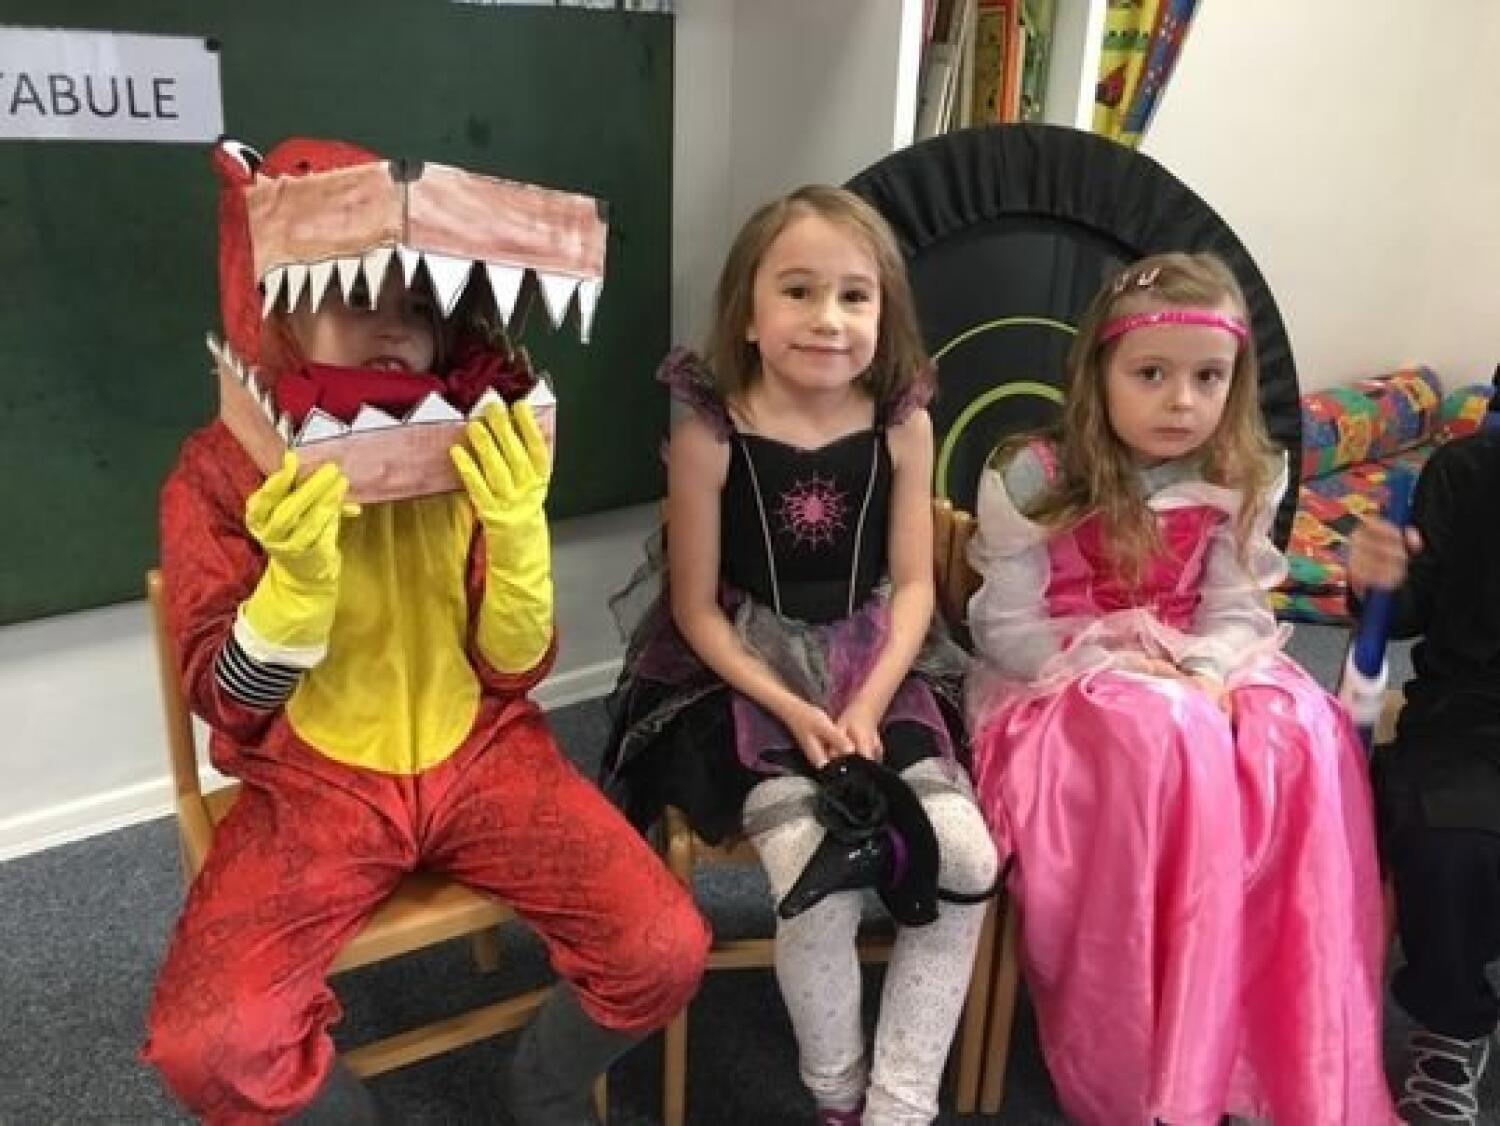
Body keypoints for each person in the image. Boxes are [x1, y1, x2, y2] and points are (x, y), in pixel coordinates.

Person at [141, 137, 708, 1125]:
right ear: (278, 301)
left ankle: (544, 1089)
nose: (395, 326)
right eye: (360, 294)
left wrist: (518, 537)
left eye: (418, 305)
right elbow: (224, 700)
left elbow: (513, 668)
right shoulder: (218, 469)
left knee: (663, 946)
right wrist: (291, 594)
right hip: (313, 785)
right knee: (211, 1043)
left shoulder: (475, 429)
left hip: (482, 753)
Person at [964, 251, 1395, 1124]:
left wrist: (1205, 667)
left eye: (1208, 378)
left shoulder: (1241, 471)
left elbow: (1236, 608)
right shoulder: (1036, 473)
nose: (1183, 402)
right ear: (1100, 372)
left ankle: (1265, 1051)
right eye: (1151, 374)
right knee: (1165, 730)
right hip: (1062, 682)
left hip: (1194, 659)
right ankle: (1153, 1068)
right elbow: (1006, 631)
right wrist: (1121, 663)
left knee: (1301, 728)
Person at [600, 185, 998, 1126]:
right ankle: (838, 1093)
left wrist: (869, 701)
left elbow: (913, 588)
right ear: (748, 313)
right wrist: (790, 705)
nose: (828, 318)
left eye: (855, 296)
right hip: (743, 680)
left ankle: (900, 1103)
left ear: (883, 314)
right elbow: (694, 608)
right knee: (814, 884)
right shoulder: (710, 431)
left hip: (881, 669)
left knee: (968, 860)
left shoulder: (902, 422)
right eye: (798, 291)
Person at [1349, 426, 1500, 1126]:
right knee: (1447, 845)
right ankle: (1452, 1021)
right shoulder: (1469, 470)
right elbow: (1405, 609)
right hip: (1469, 713)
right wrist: (1376, 577)